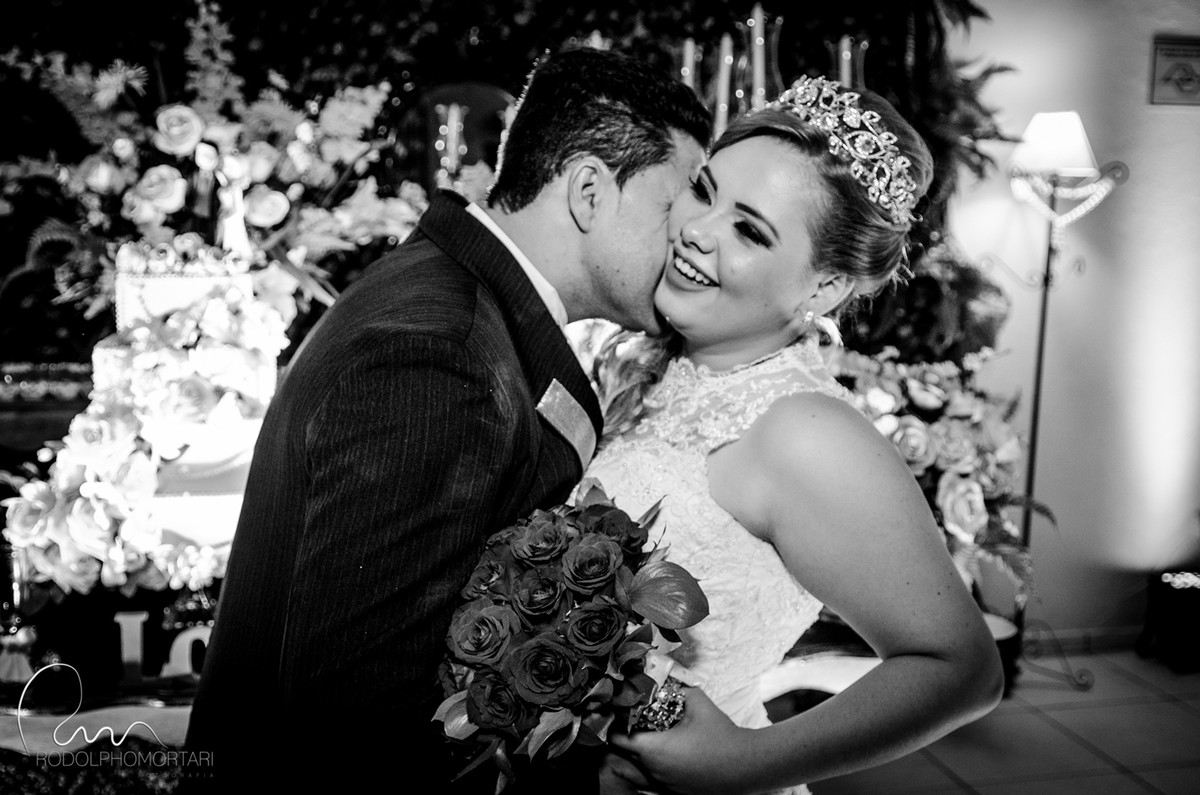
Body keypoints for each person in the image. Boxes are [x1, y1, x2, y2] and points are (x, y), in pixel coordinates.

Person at [182, 47, 709, 793]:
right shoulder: (439, 357)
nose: (691, 238)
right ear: (590, 191)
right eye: (676, 207)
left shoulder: (462, 305)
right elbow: (357, 734)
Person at [587, 77, 1005, 794]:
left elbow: (963, 670)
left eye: (750, 231)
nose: (697, 230)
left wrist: (742, 762)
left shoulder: (806, 432)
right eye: (704, 190)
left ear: (824, 288)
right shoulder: (649, 358)